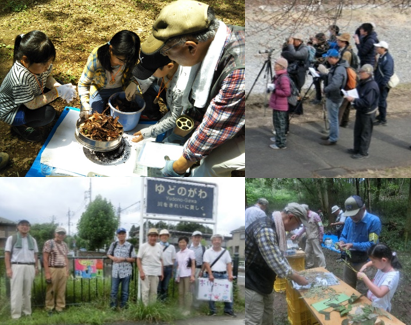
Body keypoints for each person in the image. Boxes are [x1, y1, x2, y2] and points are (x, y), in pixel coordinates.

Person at [142, 1, 244, 177]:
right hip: (231, 115)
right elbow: (195, 107)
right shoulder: (208, 44)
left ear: (190, 47)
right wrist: (177, 136)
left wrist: (176, 167)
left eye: (167, 53)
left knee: (209, 167)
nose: (167, 58)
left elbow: (214, 128)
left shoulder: (239, 72)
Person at [0, 30, 76, 142]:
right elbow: (32, 104)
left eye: (50, 62)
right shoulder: (20, 79)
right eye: (45, 64)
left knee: (59, 83)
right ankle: (20, 127)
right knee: (48, 114)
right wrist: (57, 92)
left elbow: (47, 77)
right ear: (25, 60)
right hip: (13, 110)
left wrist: (58, 86)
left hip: (28, 95)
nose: (48, 66)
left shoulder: (39, 66)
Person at [245, 203, 309, 325]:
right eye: (298, 224)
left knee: (267, 315)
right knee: (254, 319)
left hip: (264, 281)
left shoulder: (275, 227)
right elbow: (276, 261)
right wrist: (297, 278)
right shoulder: (265, 229)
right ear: (290, 217)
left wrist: (292, 271)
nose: (296, 228)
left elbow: (279, 255)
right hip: (252, 282)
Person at [130, 47, 190, 144]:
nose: (148, 74)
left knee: (169, 139)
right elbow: (152, 72)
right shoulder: (166, 60)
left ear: (169, 66)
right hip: (168, 93)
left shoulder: (181, 88)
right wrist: (135, 82)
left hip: (182, 110)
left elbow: (175, 117)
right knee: (148, 86)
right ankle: (152, 116)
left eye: (150, 71)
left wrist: (149, 132)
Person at [78, 30, 140, 117]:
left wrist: (134, 82)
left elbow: (139, 74)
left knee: (135, 109)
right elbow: (83, 84)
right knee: (94, 116)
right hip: (100, 90)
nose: (123, 64)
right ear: (111, 49)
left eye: (127, 61)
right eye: (120, 60)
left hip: (122, 88)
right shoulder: (96, 60)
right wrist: (85, 104)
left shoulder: (130, 58)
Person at [336, 195, 382, 295]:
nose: (353, 217)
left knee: (363, 291)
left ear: (363, 208)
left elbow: (372, 244)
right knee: (347, 287)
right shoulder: (349, 220)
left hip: (364, 261)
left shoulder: (374, 221)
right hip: (349, 260)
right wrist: (341, 242)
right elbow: (344, 235)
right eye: (350, 214)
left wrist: (353, 245)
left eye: (355, 214)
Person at [4, 219, 39, 319]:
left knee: (27, 292)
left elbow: (35, 254)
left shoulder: (32, 240)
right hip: (16, 266)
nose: (25, 227)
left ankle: (27, 312)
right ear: (18, 227)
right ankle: (16, 315)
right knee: (16, 291)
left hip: (30, 266)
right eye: (22, 225)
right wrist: (8, 268)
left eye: (27, 225)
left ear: (29, 227)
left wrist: (36, 267)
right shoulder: (12, 238)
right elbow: (7, 253)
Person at [345, 64, 380, 159]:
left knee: (365, 133)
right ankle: (357, 149)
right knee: (357, 131)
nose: (359, 74)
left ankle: (363, 152)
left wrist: (354, 100)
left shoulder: (372, 86)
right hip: (361, 110)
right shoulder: (363, 82)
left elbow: (367, 102)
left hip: (367, 113)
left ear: (368, 73)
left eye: (362, 72)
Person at [357, 243, 402, 312]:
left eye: (373, 261)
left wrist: (364, 277)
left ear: (384, 260)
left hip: (380, 309)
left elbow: (380, 293)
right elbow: (372, 262)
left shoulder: (392, 276)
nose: (372, 263)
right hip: (371, 304)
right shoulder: (383, 265)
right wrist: (365, 266)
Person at [318, 49, 347, 145]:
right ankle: (331, 135)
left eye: (328, 57)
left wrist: (325, 89)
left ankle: (333, 138)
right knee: (332, 117)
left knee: (333, 118)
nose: (327, 59)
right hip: (333, 95)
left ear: (334, 58)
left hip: (335, 97)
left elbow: (335, 84)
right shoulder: (337, 67)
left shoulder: (339, 69)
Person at [203, 234, 236, 317]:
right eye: (215, 240)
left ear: (221, 241)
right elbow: (206, 263)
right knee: (211, 293)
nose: (217, 241)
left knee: (228, 293)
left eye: (219, 240)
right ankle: (212, 310)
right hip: (212, 274)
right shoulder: (208, 251)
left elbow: (229, 264)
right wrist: (210, 274)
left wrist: (230, 275)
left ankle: (228, 310)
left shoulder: (225, 252)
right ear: (212, 241)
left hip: (224, 274)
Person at [107, 228, 136, 309]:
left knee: (125, 292)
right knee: (113, 291)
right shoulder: (113, 244)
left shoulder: (130, 246)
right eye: (119, 234)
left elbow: (133, 259)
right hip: (115, 271)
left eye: (123, 233)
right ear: (117, 235)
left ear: (126, 235)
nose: (121, 235)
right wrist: (113, 258)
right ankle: (113, 306)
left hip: (126, 272)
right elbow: (108, 254)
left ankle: (124, 307)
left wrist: (123, 259)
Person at [281, 33, 309, 117]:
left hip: (299, 73)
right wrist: (286, 45)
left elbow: (295, 55)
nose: (293, 42)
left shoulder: (304, 49)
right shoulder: (293, 47)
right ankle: (291, 108)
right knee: (290, 90)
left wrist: (290, 45)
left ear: (299, 41)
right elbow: (285, 53)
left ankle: (298, 110)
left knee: (297, 91)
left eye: (294, 40)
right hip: (292, 71)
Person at [43, 226, 70, 315]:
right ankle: (49, 308)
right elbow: (45, 258)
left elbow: (66, 258)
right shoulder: (49, 243)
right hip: (53, 268)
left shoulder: (65, 244)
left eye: (63, 233)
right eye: (59, 233)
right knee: (51, 289)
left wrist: (67, 270)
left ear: (65, 235)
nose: (61, 235)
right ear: (55, 234)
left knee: (62, 290)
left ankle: (60, 307)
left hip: (63, 268)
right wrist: (47, 272)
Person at [291, 204, 326, 268]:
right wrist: (296, 235)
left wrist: (321, 237)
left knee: (318, 253)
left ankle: (323, 267)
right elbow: (304, 228)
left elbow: (321, 226)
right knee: (307, 252)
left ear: (307, 210)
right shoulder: (305, 217)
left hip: (315, 237)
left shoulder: (315, 215)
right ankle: (310, 265)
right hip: (308, 237)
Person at [137, 228, 164, 305]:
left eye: (155, 236)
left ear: (157, 237)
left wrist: (162, 272)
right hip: (146, 272)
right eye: (151, 236)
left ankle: (152, 308)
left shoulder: (160, 246)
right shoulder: (143, 246)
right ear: (148, 237)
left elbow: (161, 260)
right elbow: (138, 259)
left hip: (156, 273)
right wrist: (141, 272)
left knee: (154, 292)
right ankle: (145, 308)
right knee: (145, 291)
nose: (153, 238)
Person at [268, 57, 291, 150]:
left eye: (276, 64)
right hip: (277, 104)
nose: (274, 66)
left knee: (280, 124)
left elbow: (287, 92)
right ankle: (278, 138)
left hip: (281, 105)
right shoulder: (278, 76)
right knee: (276, 123)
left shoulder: (283, 78)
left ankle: (281, 144)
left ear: (281, 66)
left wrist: (275, 90)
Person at [337, 32, 355, 127]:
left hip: (347, 80)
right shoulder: (345, 50)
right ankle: (344, 122)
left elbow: (344, 67)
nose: (337, 41)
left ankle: (338, 123)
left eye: (339, 40)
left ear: (344, 42)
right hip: (349, 79)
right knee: (346, 104)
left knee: (343, 103)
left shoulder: (346, 53)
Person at [373, 41, 394, 126]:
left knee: (381, 101)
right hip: (379, 82)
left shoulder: (387, 59)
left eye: (378, 47)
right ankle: (381, 115)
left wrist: (382, 84)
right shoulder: (382, 57)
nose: (376, 48)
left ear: (383, 49)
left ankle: (383, 118)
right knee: (380, 100)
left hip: (383, 84)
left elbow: (388, 73)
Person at [175, 236, 196, 315]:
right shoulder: (177, 253)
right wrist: (177, 276)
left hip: (187, 275)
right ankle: (181, 307)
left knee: (187, 292)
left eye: (183, 242)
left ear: (187, 243)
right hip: (180, 275)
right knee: (180, 292)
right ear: (178, 243)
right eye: (180, 242)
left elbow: (193, 264)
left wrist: (192, 275)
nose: (182, 244)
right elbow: (178, 265)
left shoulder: (190, 252)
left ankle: (187, 309)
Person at [310, 33, 330, 105]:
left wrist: (314, 45)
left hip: (323, 66)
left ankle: (323, 98)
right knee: (316, 82)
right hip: (316, 65)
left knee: (324, 82)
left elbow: (318, 53)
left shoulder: (326, 45)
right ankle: (318, 97)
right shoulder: (318, 45)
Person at [157, 229, 176, 301]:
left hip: (168, 268)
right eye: (163, 235)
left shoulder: (172, 247)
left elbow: (173, 259)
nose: (164, 237)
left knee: (165, 286)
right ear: (160, 237)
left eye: (166, 235)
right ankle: (158, 301)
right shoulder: (156, 245)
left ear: (168, 237)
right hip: (158, 268)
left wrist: (172, 271)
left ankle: (164, 301)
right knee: (158, 286)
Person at [188, 230, 206, 308]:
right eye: (195, 237)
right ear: (192, 238)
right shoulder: (188, 247)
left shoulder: (203, 248)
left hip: (198, 269)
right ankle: (188, 303)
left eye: (198, 237)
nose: (197, 239)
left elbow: (205, 261)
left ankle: (196, 305)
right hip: (188, 269)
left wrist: (202, 270)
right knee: (188, 287)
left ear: (201, 238)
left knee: (197, 287)